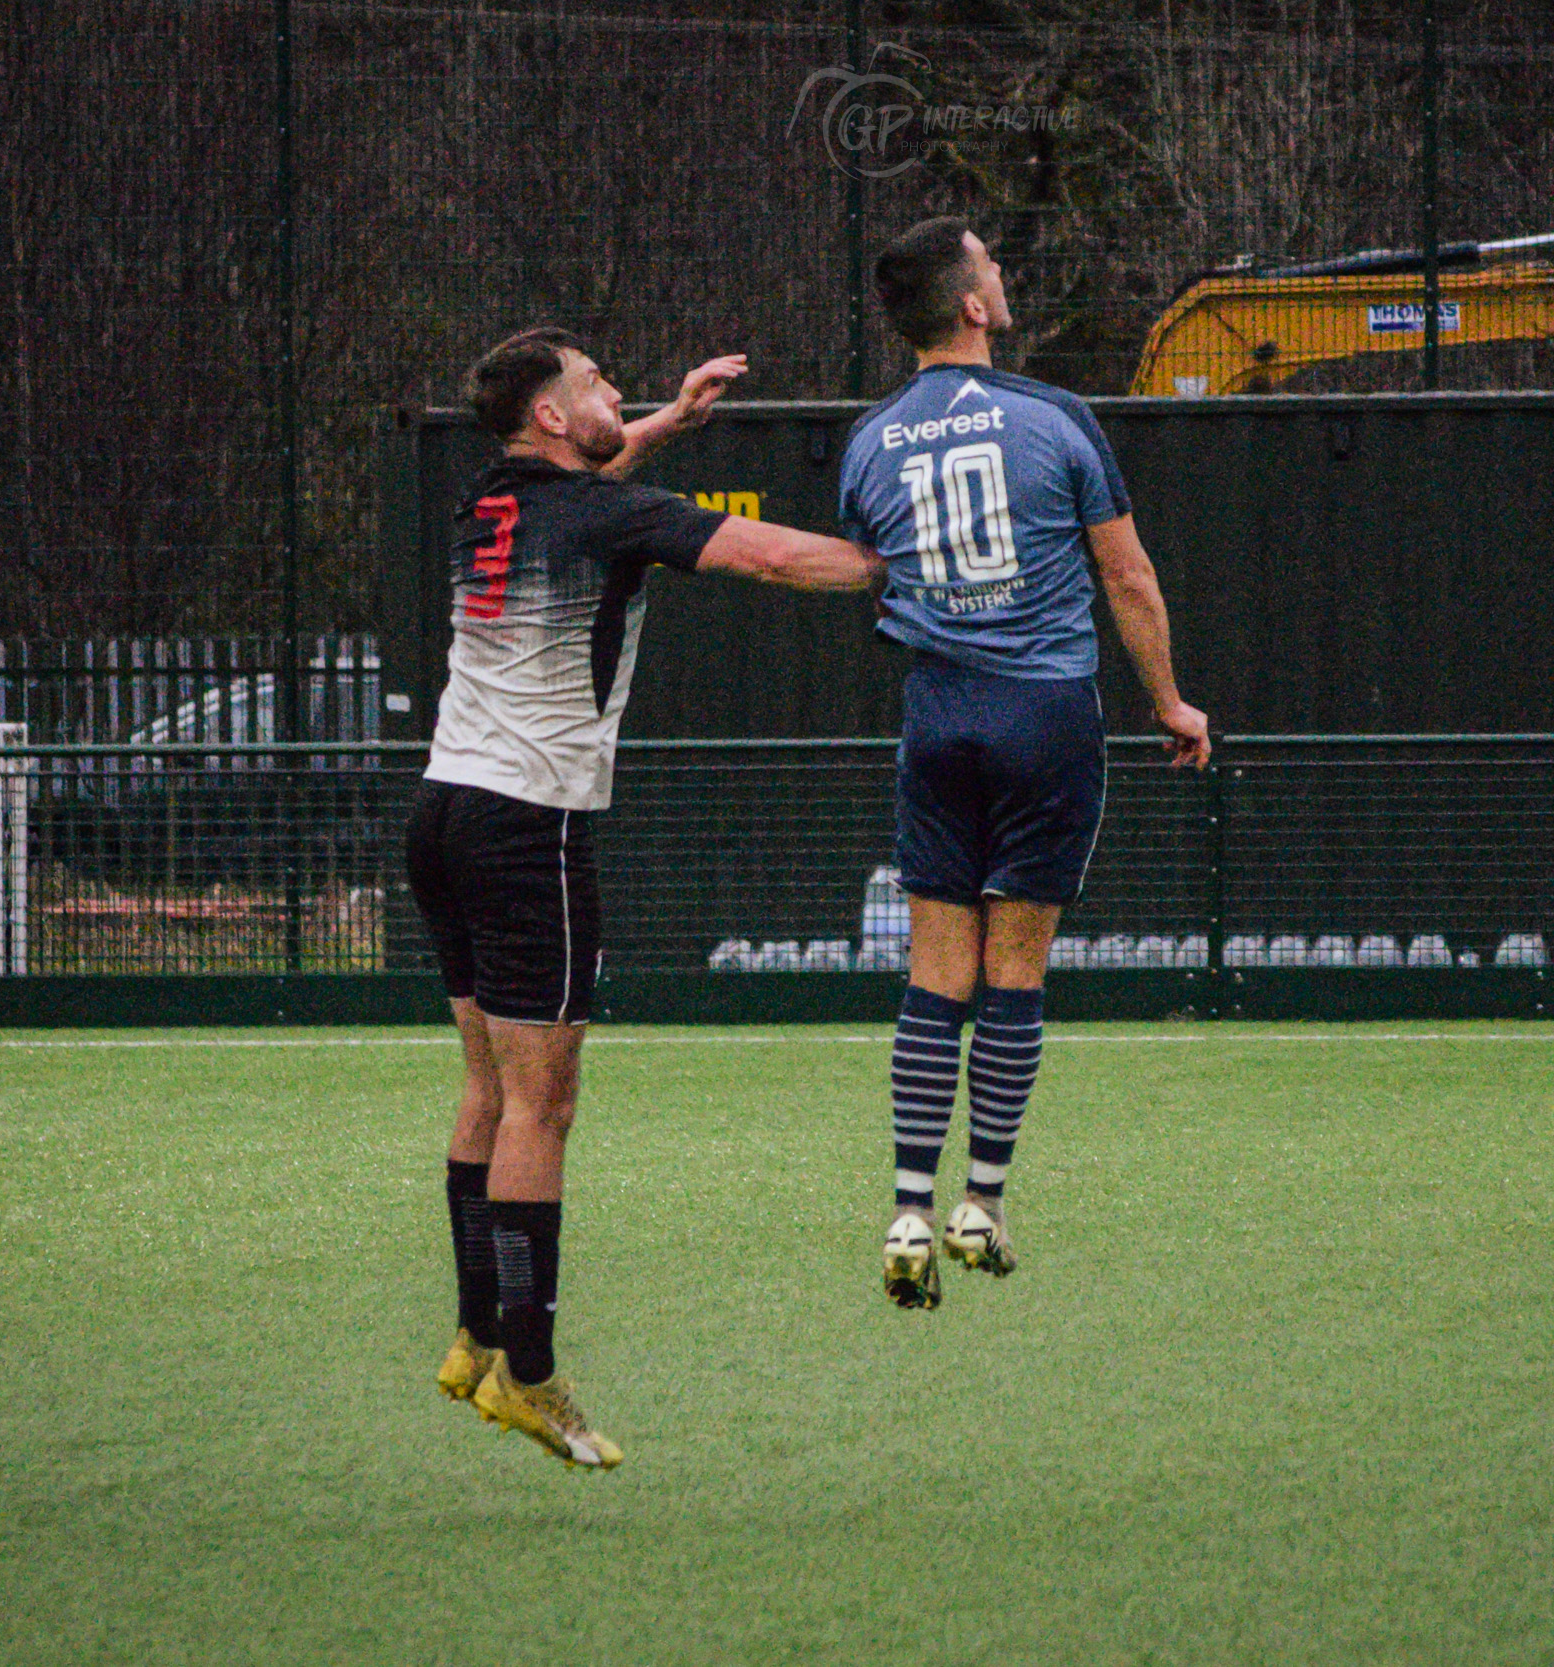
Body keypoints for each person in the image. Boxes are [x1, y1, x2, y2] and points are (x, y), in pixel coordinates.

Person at [412, 327, 884, 1466]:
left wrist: (667, 417)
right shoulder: (602, 515)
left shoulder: (497, 497)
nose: (610, 388)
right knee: (542, 1107)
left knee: (487, 1088)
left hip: (441, 812)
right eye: (591, 383)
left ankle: (476, 1337)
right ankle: (531, 1374)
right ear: (546, 416)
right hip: (530, 826)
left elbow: (597, 474)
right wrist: (895, 565)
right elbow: (768, 558)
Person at [838, 220, 1211, 1310]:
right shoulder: (1055, 419)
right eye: (990, 265)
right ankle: (981, 1201)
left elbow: (873, 569)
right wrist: (1170, 702)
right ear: (972, 307)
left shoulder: (868, 443)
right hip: (1044, 714)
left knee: (932, 972)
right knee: (1014, 975)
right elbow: (1128, 579)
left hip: (937, 714)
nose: (1000, 274)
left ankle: (908, 1202)